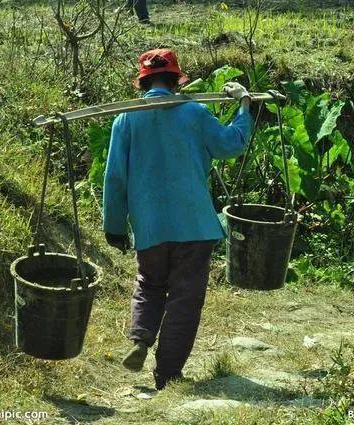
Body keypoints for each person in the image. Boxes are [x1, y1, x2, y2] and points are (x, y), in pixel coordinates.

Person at [102, 48, 253, 390]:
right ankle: (167, 373)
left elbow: (115, 178)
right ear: (175, 80)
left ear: (143, 83)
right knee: (185, 297)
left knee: (149, 283)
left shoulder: (125, 119)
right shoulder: (194, 113)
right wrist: (244, 105)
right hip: (194, 226)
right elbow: (231, 143)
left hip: (150, 227)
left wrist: (114, 226)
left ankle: (141, 338)